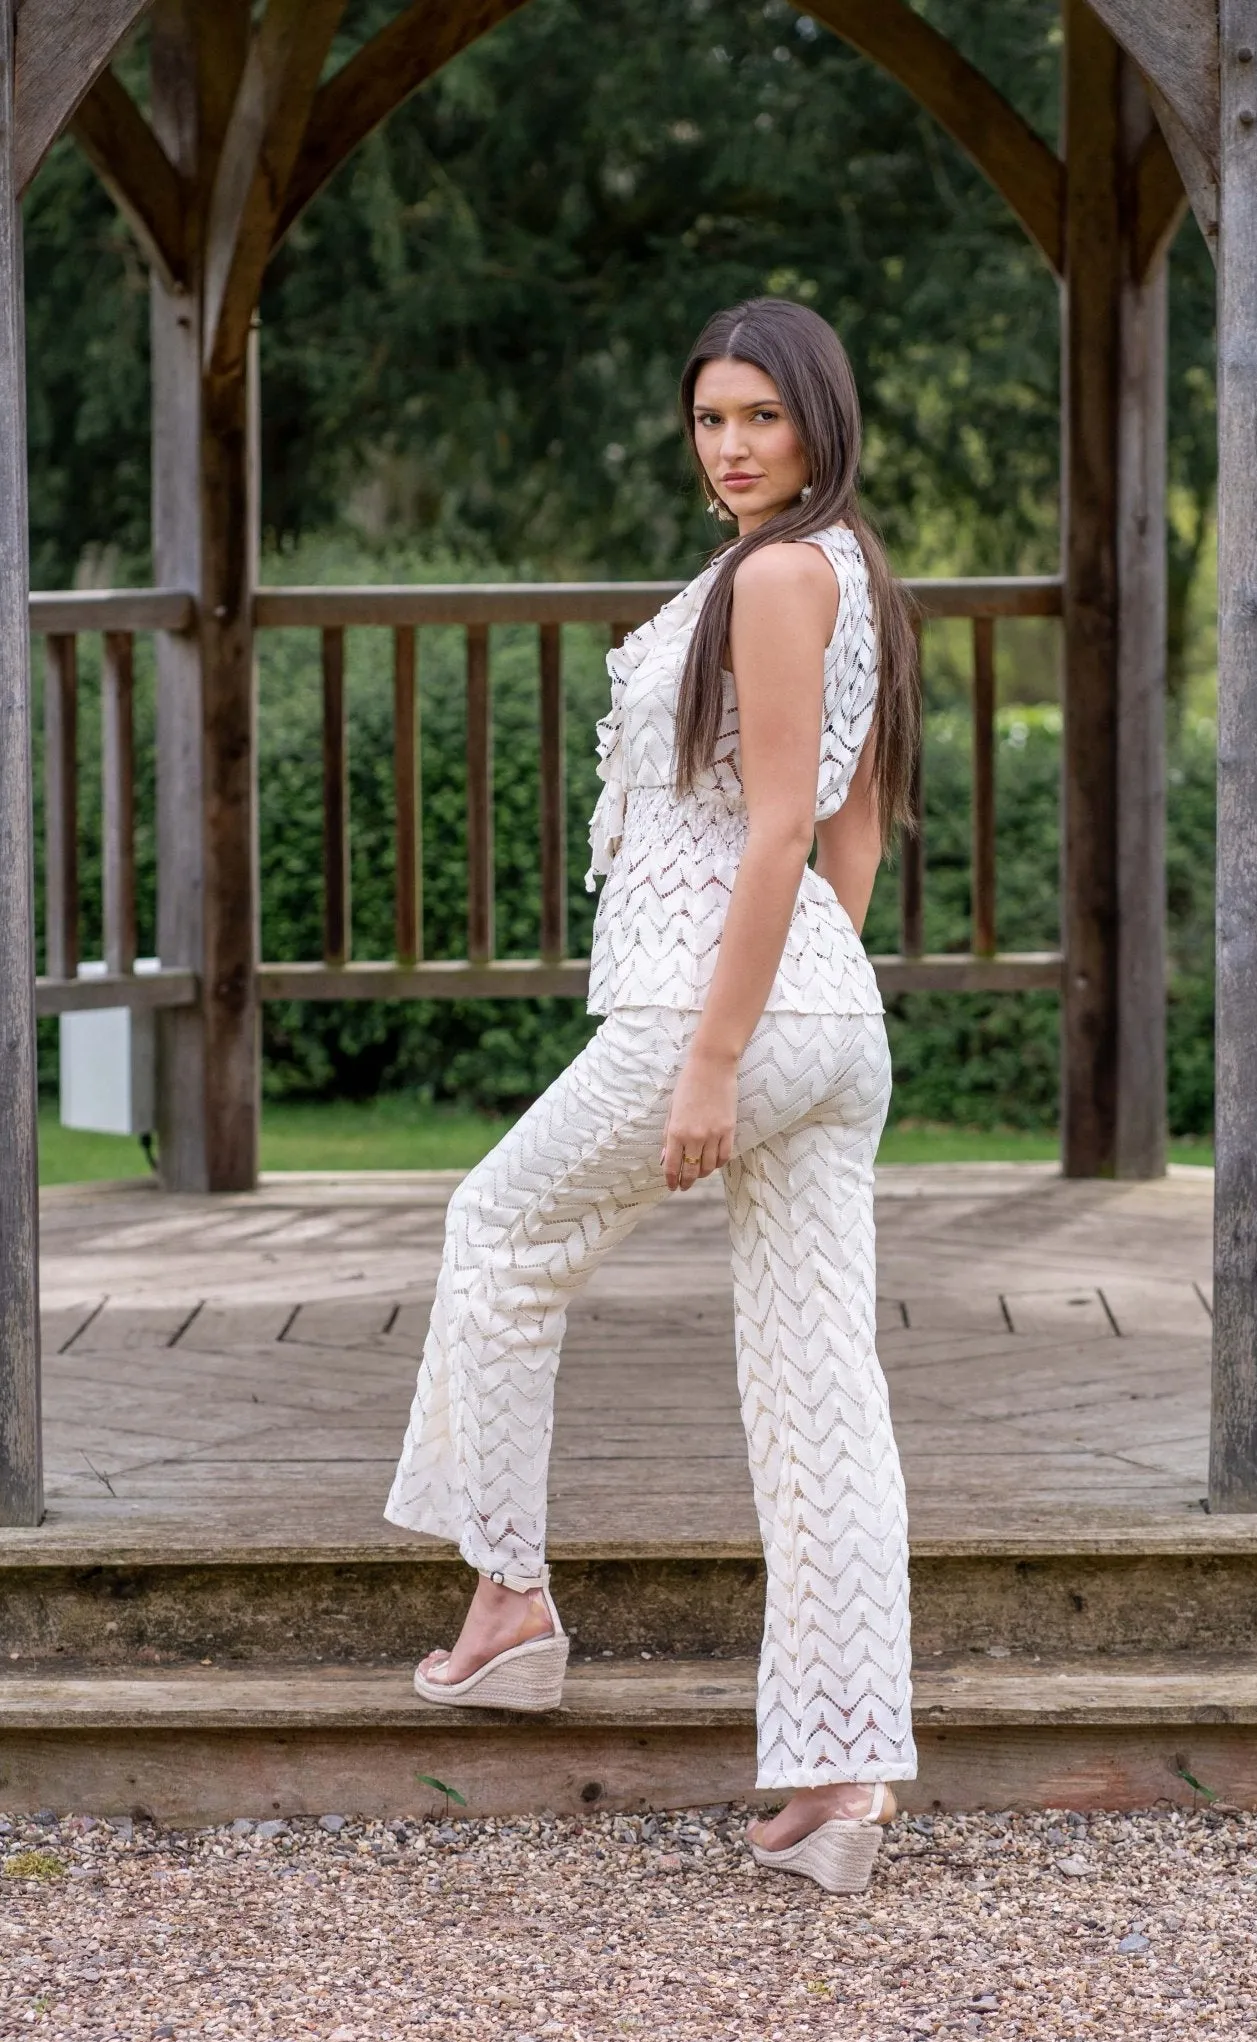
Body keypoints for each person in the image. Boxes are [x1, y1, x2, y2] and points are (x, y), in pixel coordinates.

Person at [385, 296, 922, 1895]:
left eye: (762, 415)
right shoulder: (851, 572)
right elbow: (858, 837)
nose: (735, 445)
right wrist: (807, 1003)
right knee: (822, 1400)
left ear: (820, 419)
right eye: (711, 419)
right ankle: (838, 1780)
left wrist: (710, 1059)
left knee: (496, 1233)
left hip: (717, 1008)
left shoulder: (770, 574)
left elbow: (774, 835)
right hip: (830, 1024)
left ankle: (509, 1600)